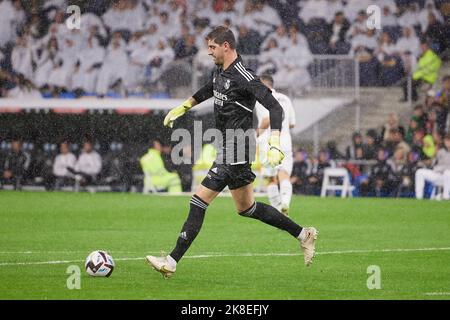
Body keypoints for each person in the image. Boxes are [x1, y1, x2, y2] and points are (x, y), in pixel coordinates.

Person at [146, 26, 318, 278]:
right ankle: (304, 234)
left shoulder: (244, 76)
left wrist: (274, 142)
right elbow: (209, 88)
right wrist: (185, 106)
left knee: (198, 200)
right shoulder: (221, 72)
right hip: (230, 145)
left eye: (212, 47)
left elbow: (275, 108)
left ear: (226, 46)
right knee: (246, 208)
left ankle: (171, 261)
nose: (209, 52)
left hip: (238, 147)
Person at [254, 74, 296, 215]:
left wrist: (256, 133)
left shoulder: (261, 98)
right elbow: (292, 124)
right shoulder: (286, 99)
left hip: (268, 141)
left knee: (271, 177)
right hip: (284, 140)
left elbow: (266, 120)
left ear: (264, 85)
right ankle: (285, 202)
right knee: (284, 173)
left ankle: (278, 210)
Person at [415, 134, 450, 200]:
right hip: (438, 175)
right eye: (446, 140)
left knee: (447, 172)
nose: (447, 142)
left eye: (449, 140)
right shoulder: (440, 151)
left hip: (448, 177)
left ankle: (446, 196)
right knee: (419, 172)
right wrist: (434, 154)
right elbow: (432, 164)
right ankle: (419, 198)